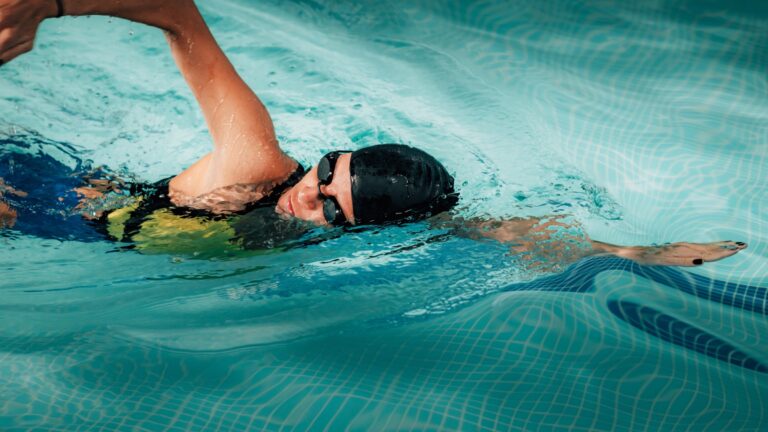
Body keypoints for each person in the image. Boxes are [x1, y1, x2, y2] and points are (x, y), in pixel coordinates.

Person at [0, 0, 748, 268]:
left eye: (333, 208)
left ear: (358, 233)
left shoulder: (354, 228)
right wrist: (48, 4)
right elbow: (174, 10)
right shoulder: (255, 163)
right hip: (43, 203)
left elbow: (492, 231)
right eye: (327, 172)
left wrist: (638, 253)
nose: (309, 196)